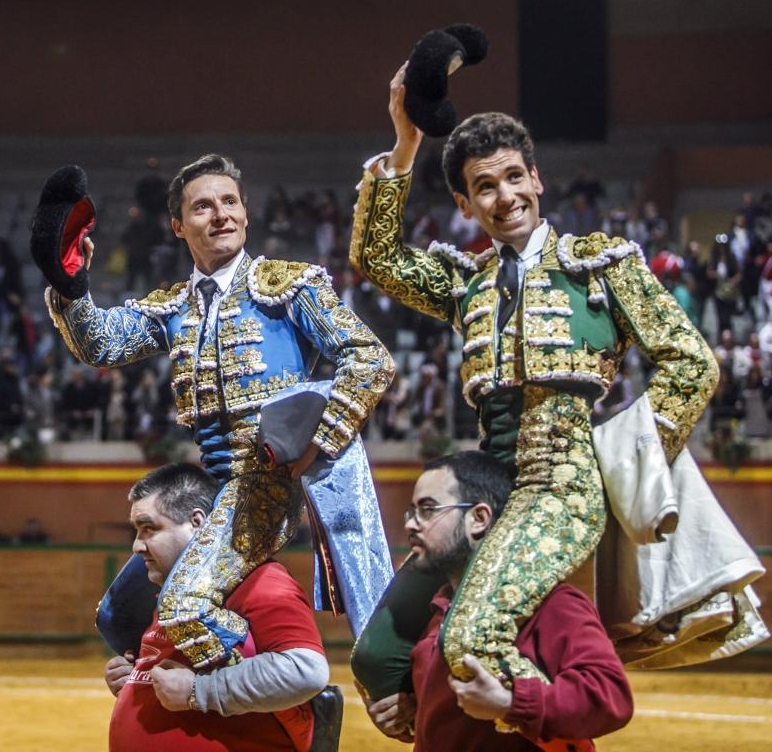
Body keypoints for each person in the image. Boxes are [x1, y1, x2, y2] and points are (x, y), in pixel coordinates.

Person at [348, 65, 718, 701]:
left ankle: (546, 724)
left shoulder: (601, 267)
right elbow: (375, 258)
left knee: (472, 638)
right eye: (484, 187)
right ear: (464, 206)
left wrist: (629, 457)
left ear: (536, 179)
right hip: (483, 487)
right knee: (378, 655)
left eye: (514, 177)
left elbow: (693, 363)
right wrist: (406, 146)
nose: (505, 196)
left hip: (561, 486)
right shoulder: (467, 282)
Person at [44, 153, 393, 667]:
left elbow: (369, 357)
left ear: (247, 214)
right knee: (119, 614)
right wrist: (71, 281)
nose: (221, 215)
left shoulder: (288, 286)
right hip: (208, 486)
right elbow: (100, 344)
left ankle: (273, 694)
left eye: (230, 202)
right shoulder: (174, 306)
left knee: (184, 608)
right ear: (179, 227)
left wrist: (322, 438)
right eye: (203, 207)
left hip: (265, 485)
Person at [363, 452, 633, 750]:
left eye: (428, 510)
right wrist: (404, 716)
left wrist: (511, 703)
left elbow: (612, 697)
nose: (412, 525)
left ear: (478, 519)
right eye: (411, 512)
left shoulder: (550, 604)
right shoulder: (438, 609)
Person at [105, 463, 330, 752]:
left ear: (198, 523)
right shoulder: (177, 590)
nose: (137, 546)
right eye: (137, 531)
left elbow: (305, 671)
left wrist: (199, 691)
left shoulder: (259, 579)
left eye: (150, 529)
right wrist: (135, 679)